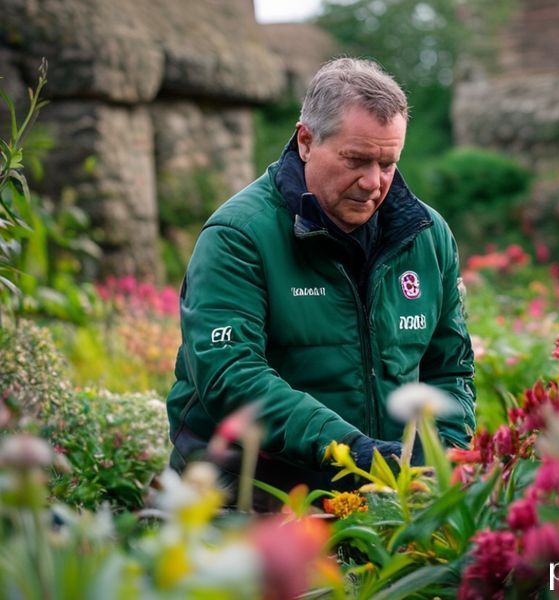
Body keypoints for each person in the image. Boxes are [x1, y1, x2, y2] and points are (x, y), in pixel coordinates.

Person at [166, 57, 476, 511]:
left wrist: (442, 459)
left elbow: (449, 368)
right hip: (249, 499)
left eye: (388, 163)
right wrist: (356, 452)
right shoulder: (238, 236)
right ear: (306, 140)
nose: (373, 182)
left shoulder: (427, 237)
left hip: (385, 501)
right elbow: (231, 377)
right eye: (356, 160)